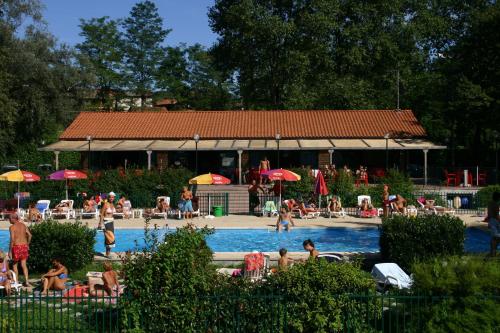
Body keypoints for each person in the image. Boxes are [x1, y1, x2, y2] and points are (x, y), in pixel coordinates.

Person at [9, 213, 32, 287]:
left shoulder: (12, 227)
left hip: (16, 247)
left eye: (9, 218)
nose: (9, 220)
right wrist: (27, 244)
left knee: (15, 265)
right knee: (24, 265)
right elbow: (30, 235)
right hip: (24, 246)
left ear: (13, 218)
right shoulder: (23, 225)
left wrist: (9, 251)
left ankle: (16, 281)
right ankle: (27, 282)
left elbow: (12, 239)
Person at [99, 192, 116, 257]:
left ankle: (108, 253)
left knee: (111, 238)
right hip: (106, 222)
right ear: (108, 197)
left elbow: (112, 214)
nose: (111, 198)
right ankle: (107, 254)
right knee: (109, 238)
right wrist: (100, 223)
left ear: (114, 198)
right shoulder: (106, 204)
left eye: (112, 197)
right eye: (110, 197)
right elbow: (102, 214)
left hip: (111, 222)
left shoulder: (112, 204)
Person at [487, 192, 500, 256]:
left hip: (491, 221)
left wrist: (488, 222)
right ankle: (493, 252)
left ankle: (492, 251)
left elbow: (488, 214)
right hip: (495, 221)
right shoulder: (496, 205)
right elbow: (497, 216)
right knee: (497, 238)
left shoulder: (489, 204)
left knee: (493, 238)